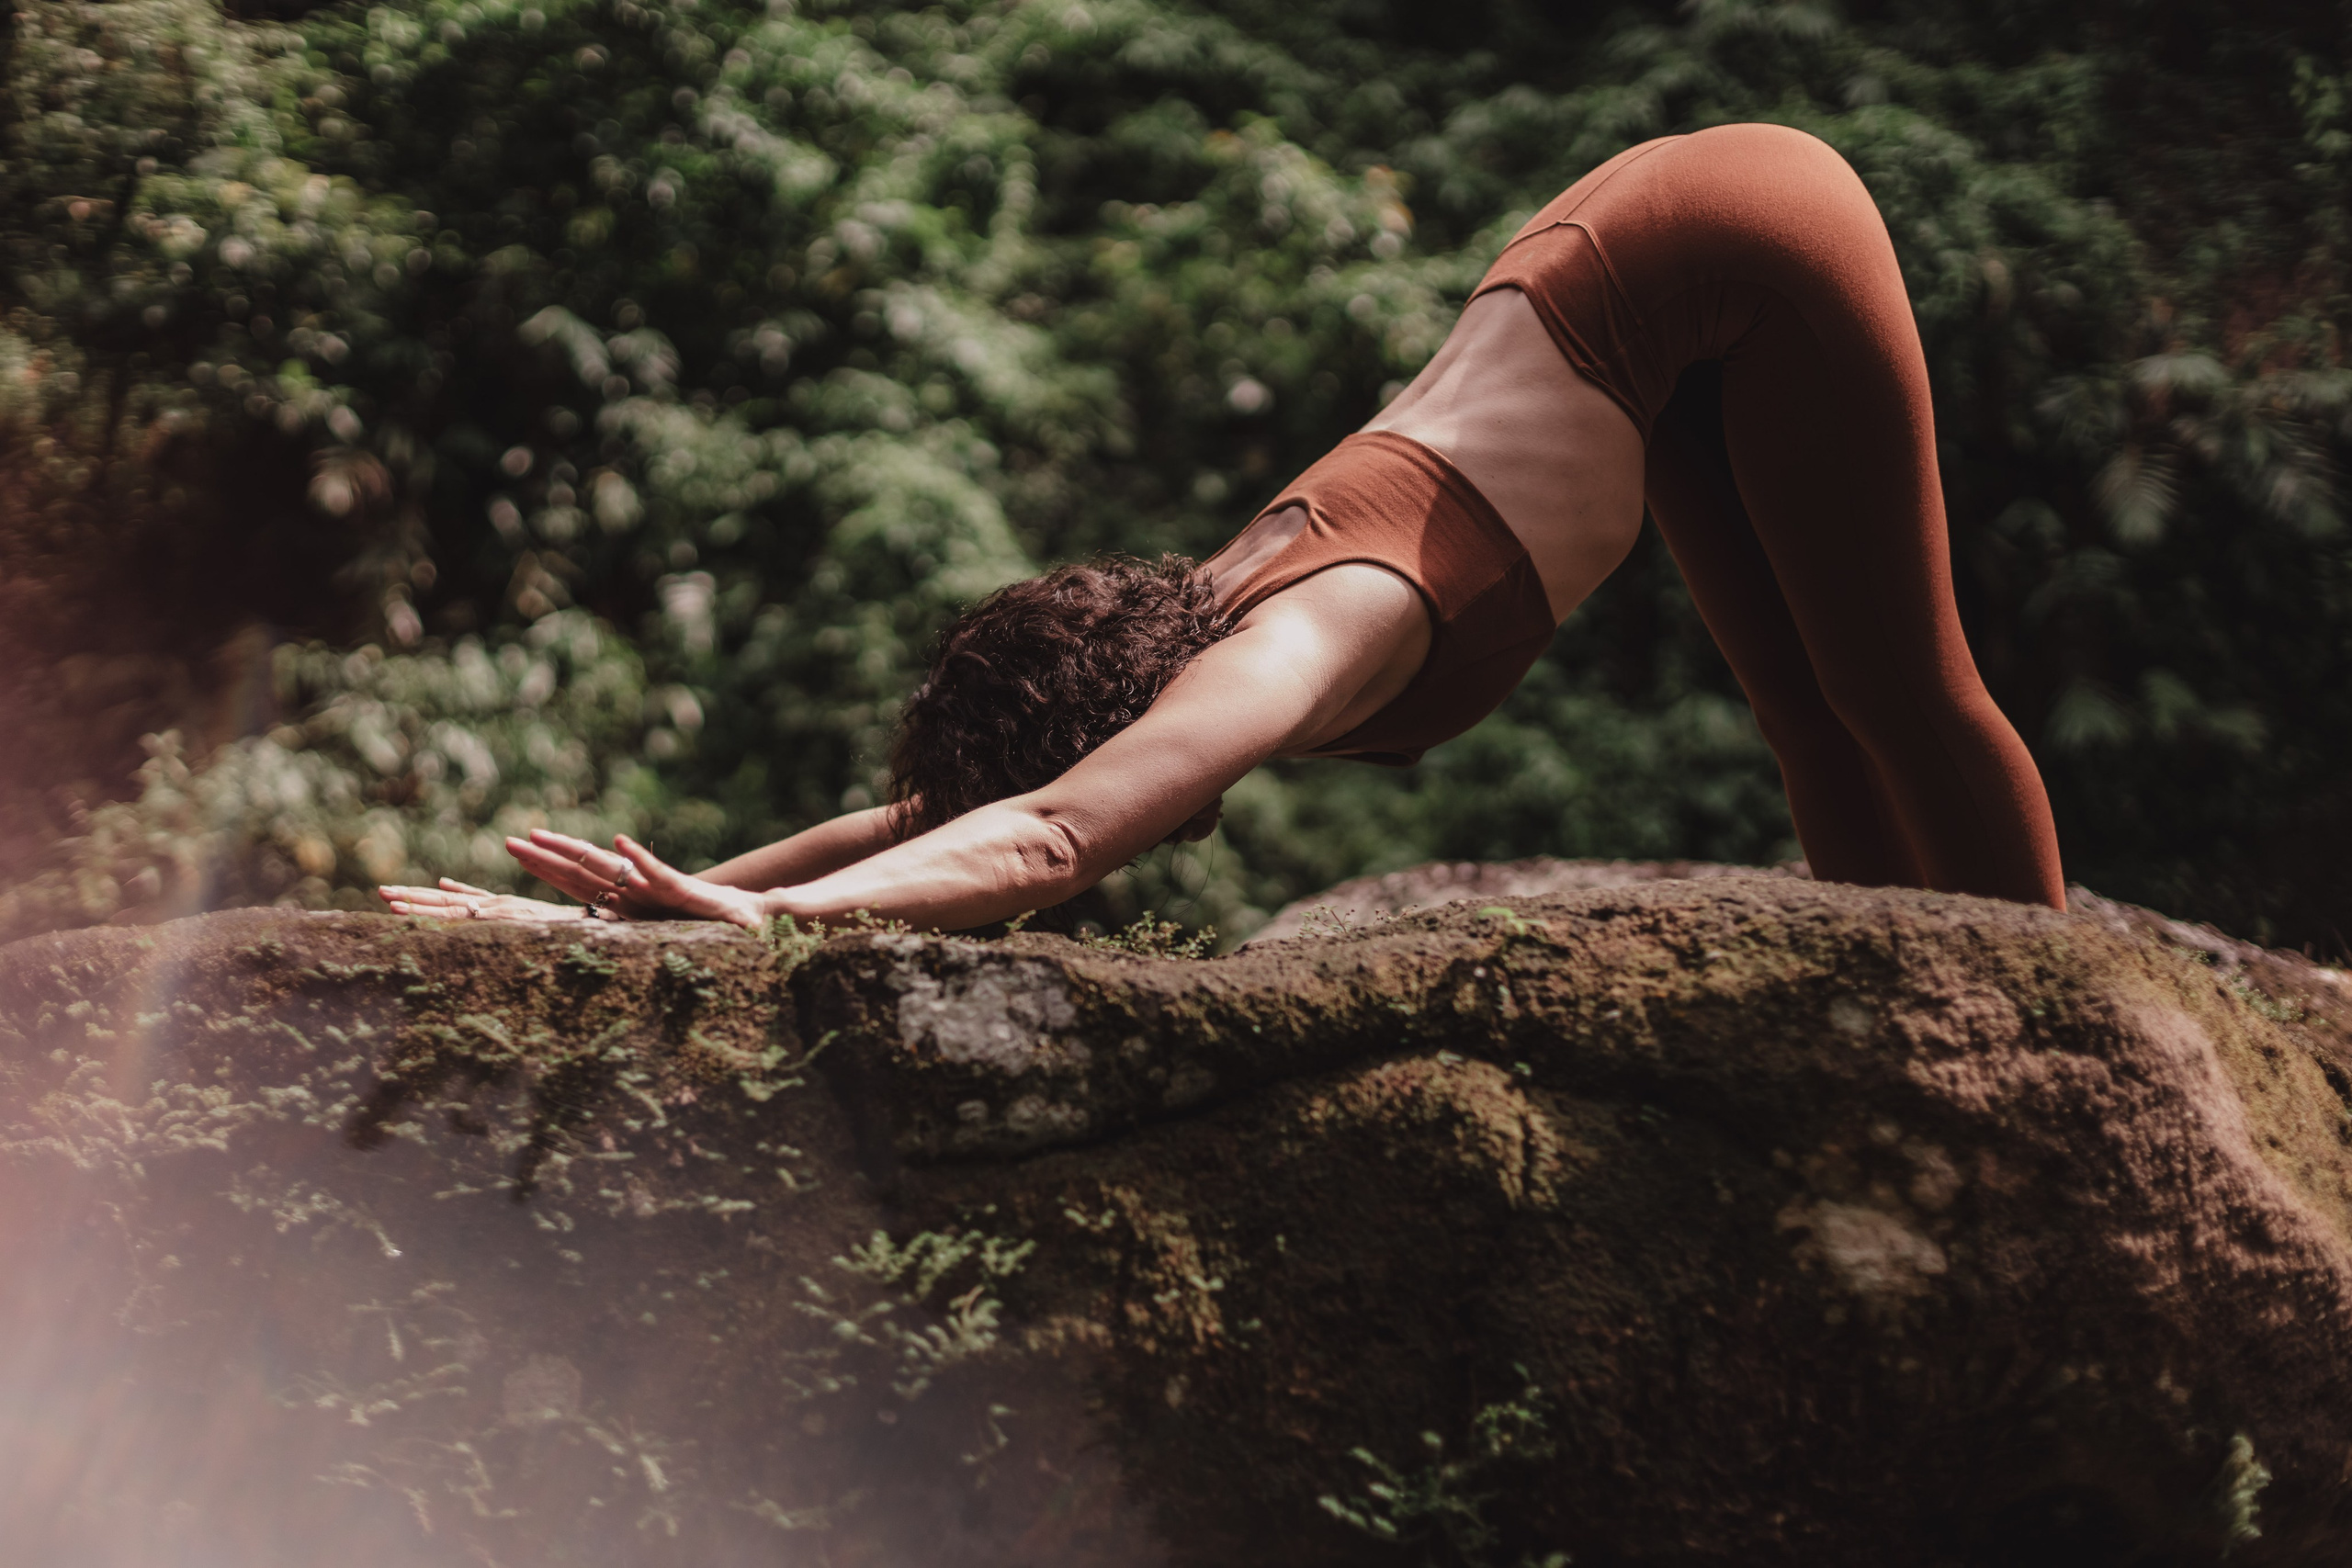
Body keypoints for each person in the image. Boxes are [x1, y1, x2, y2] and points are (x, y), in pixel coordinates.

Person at [379, 123, 2065, 932]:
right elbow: (935, 819)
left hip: (1734, 236)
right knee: (1804, 708)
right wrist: (624, 916)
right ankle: (1905, 984)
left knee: (1899, 691)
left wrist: (760, 931)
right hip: (1614, 289)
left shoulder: (1295, 642)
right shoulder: (1164, 642)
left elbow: (1043, 840)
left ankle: (2059, 1044)